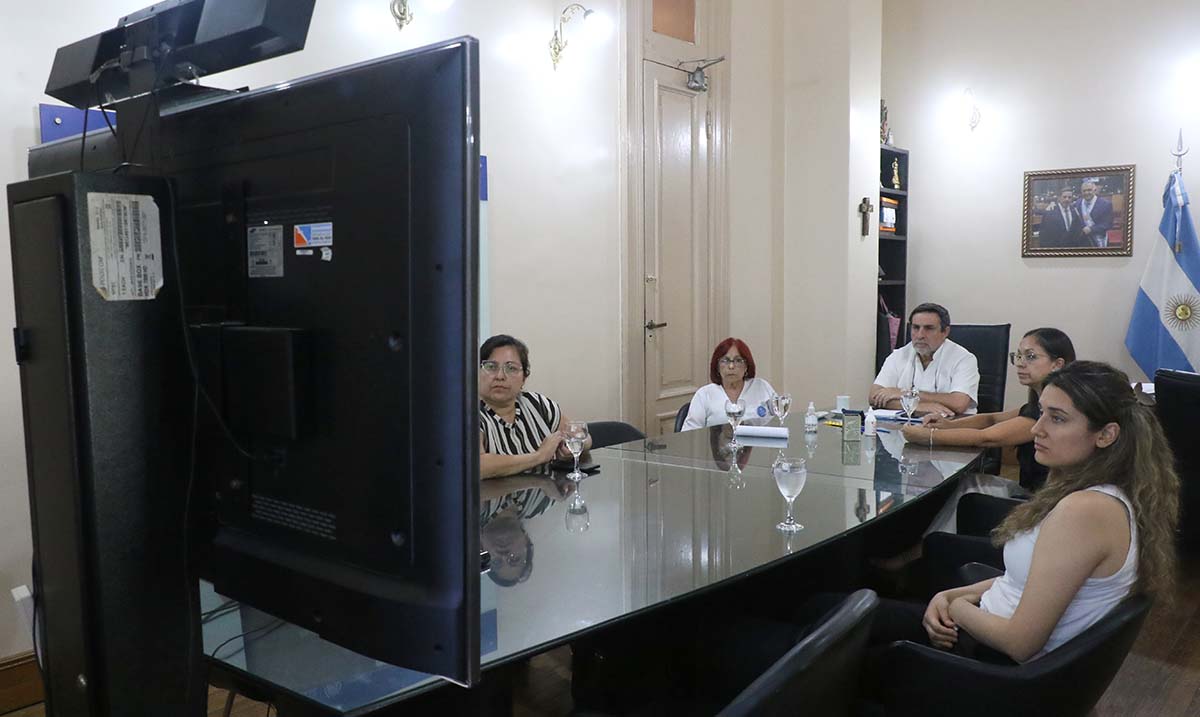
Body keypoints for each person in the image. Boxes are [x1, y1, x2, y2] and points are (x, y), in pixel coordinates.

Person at [717, 362, 1178, 704]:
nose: (1036, 429)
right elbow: (1032, 583)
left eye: (1057, 418)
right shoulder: (1103, 494)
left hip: (978, 671)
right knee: (820, 607)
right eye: (1041, 413)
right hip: (978, 634)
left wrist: (955, 606)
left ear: (1106, 434)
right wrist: (953, 594)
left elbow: (1020, 641)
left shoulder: (1085, 511)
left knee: (774, 636)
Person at [902, 327, 1076, 493]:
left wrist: (930, 436)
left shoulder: (1051, 412)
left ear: (1057, 364)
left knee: (957, 488)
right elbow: (991, 419)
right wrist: (948, 425)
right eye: (1018, 356)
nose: (1020, 364)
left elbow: (986, 438)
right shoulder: (1036, 405)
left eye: (1030, 357)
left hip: (1039, 501)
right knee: (958, 486)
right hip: (1034, 493)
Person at [478, 334, 590, 479]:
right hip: (495, 493)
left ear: (524, 378)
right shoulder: (468, 414)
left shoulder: (537, 403)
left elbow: (584, 437)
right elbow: (478, 466)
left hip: (542, 491)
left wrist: (569, 449)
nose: (500, 376)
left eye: (511, 368)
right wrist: (539, 456)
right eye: (491, 367)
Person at [870, 303, 980, 416]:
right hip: (904, 423)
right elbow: (874, 397)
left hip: (951, 424)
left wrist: (905, 393)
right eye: (916, 327)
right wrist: (918, 407)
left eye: (929, 328)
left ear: (945, 332)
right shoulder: (899, 355)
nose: (920, 335)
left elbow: (958, 403)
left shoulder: (963, 359)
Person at [681, 338, 777, 430]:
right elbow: (689, 433)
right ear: (717, 367)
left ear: (746, 366)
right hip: (715, 442)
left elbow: (781, 420)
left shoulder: (761, 387)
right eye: (725, 361)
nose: (731, 366)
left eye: (738, 360)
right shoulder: (704, 394)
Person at [1076, 180, 1115, 248]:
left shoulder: (1105, 204)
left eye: (1089, 190)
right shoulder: (1078, 203)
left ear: (1095, 190)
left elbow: (1108, 224)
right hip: (1083, 241)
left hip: (1099, 240)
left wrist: (1091, 229)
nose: (1086, 193)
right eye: (1084, 191)